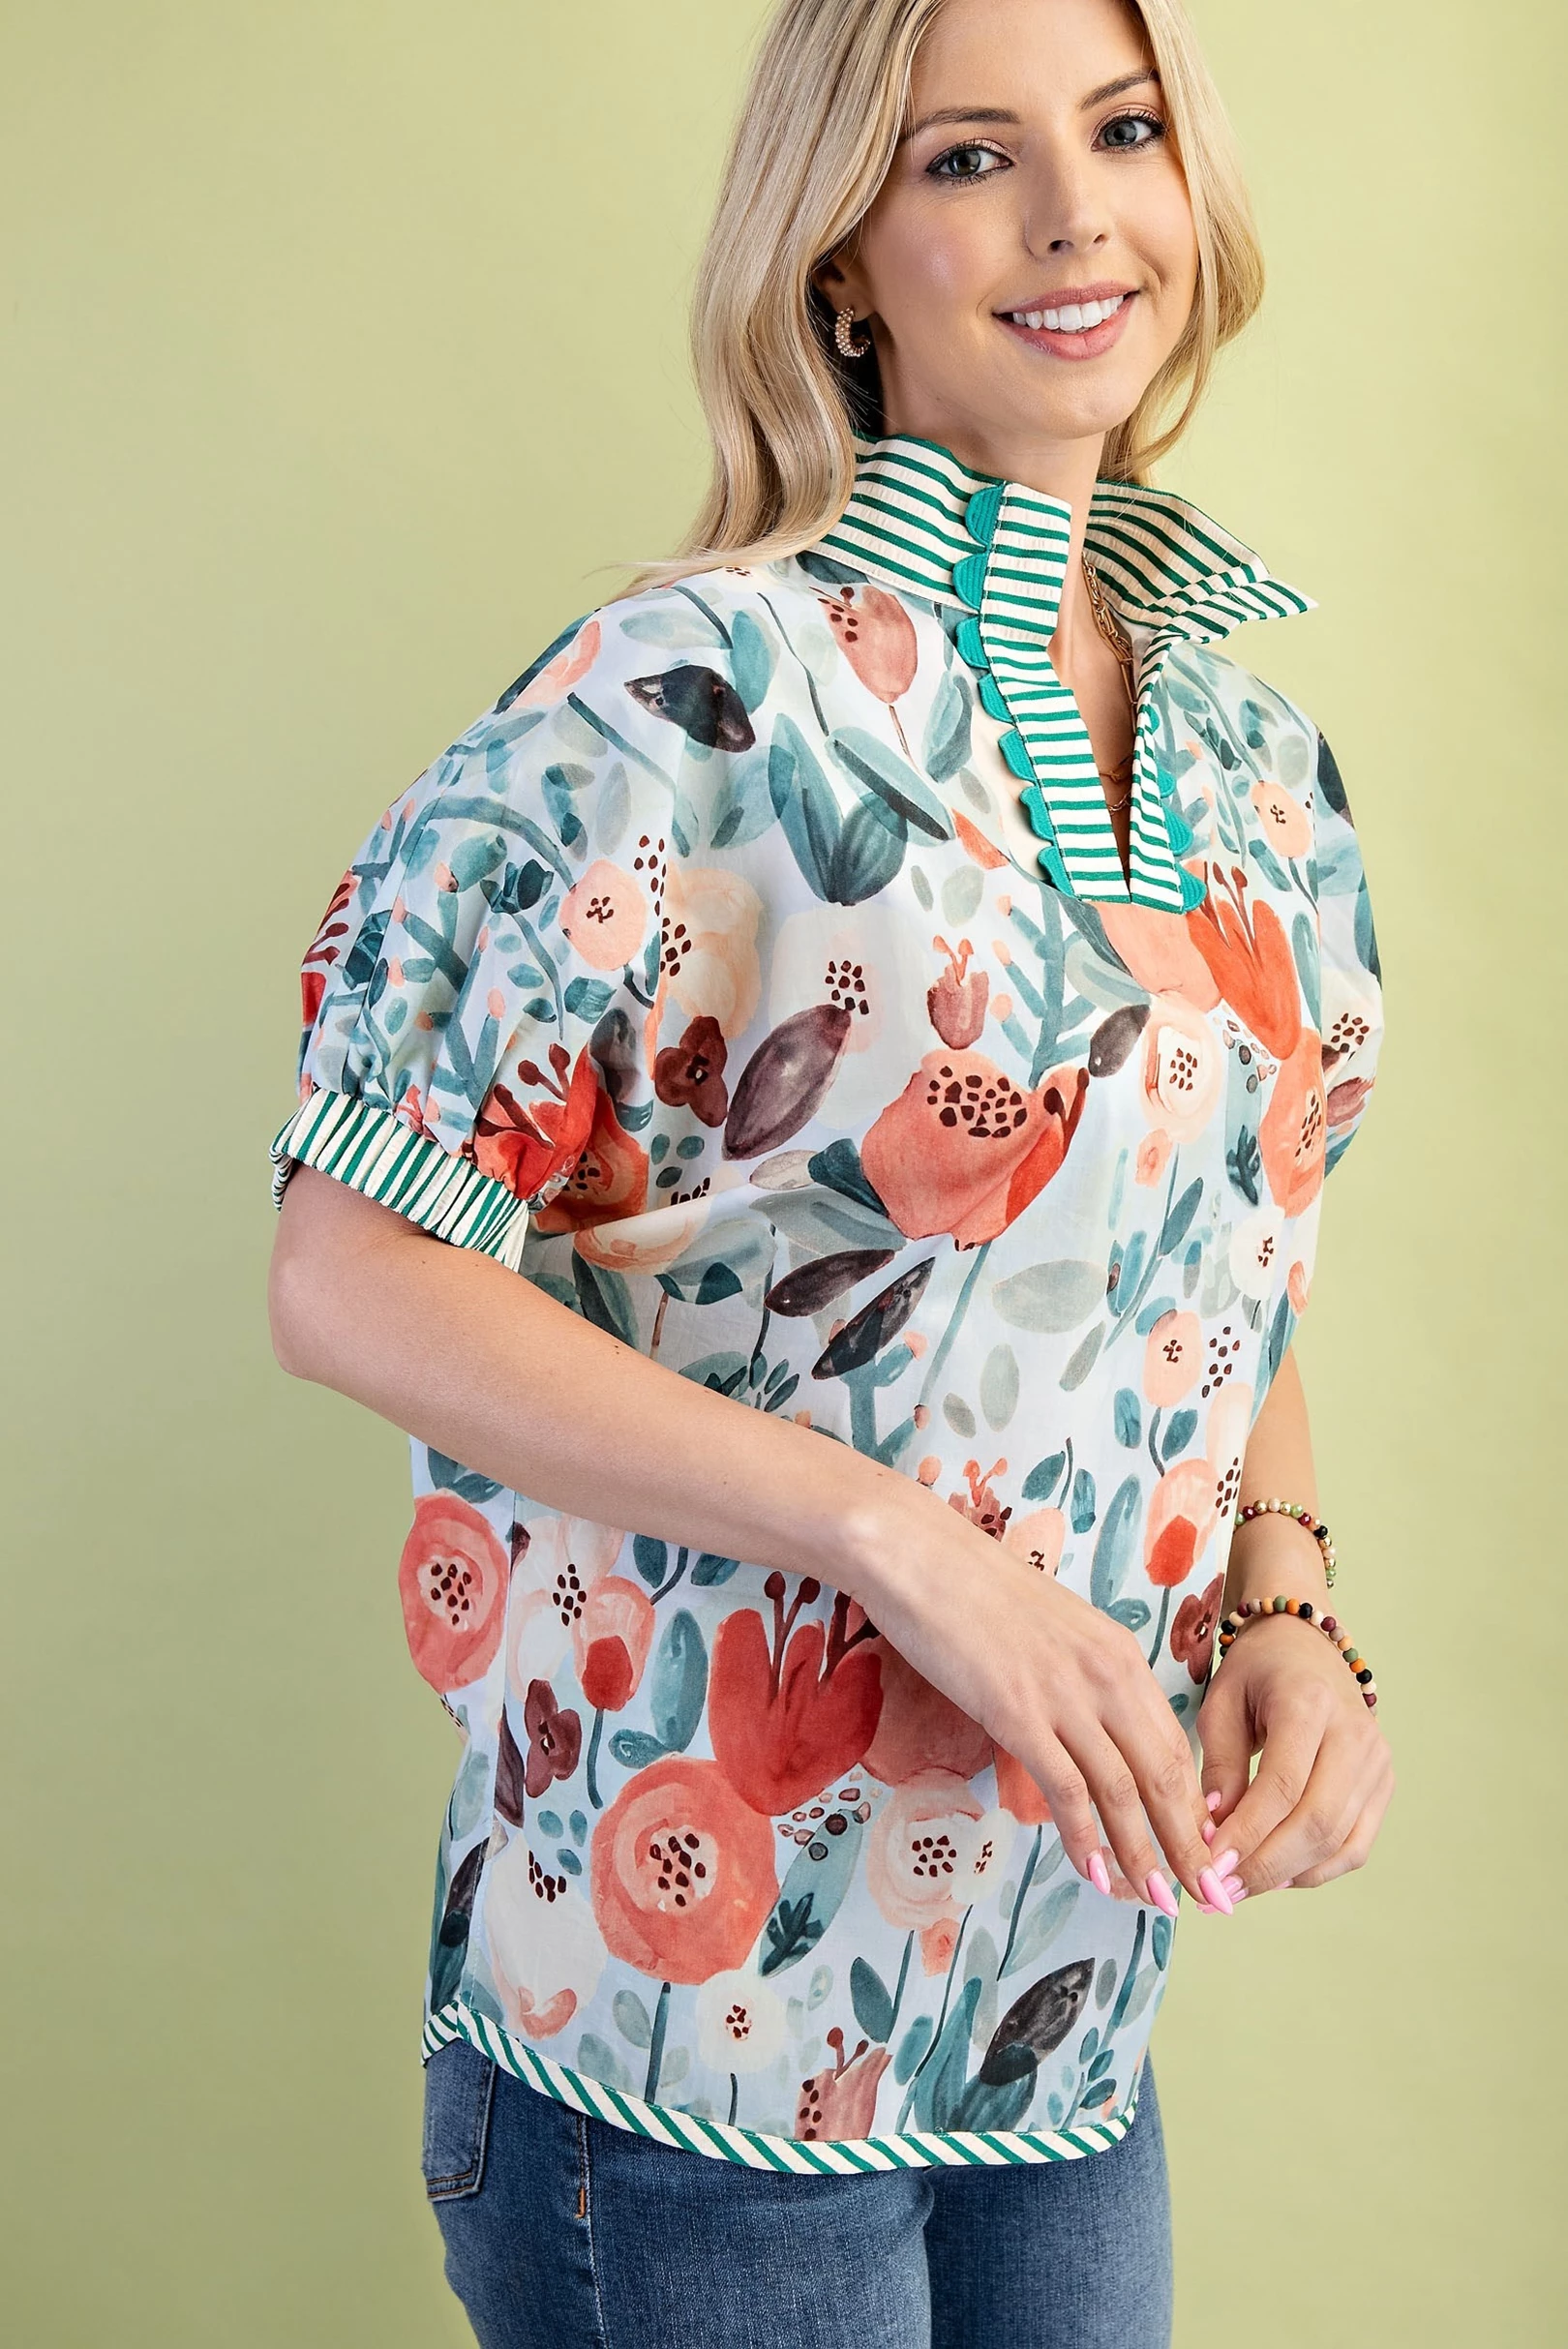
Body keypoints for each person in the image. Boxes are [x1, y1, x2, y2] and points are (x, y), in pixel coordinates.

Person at [266, 0, 1393, 2340]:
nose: (1076, 214)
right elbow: (349, 1268)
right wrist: (896, 1543)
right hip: (683, 2049)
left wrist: (1284, 1605)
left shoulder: (1261, 764)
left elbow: (1228, 1257)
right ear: (842, 262)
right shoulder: (688, 697)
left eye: (1124, 130)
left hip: (1058, 2019)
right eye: (968, 157)